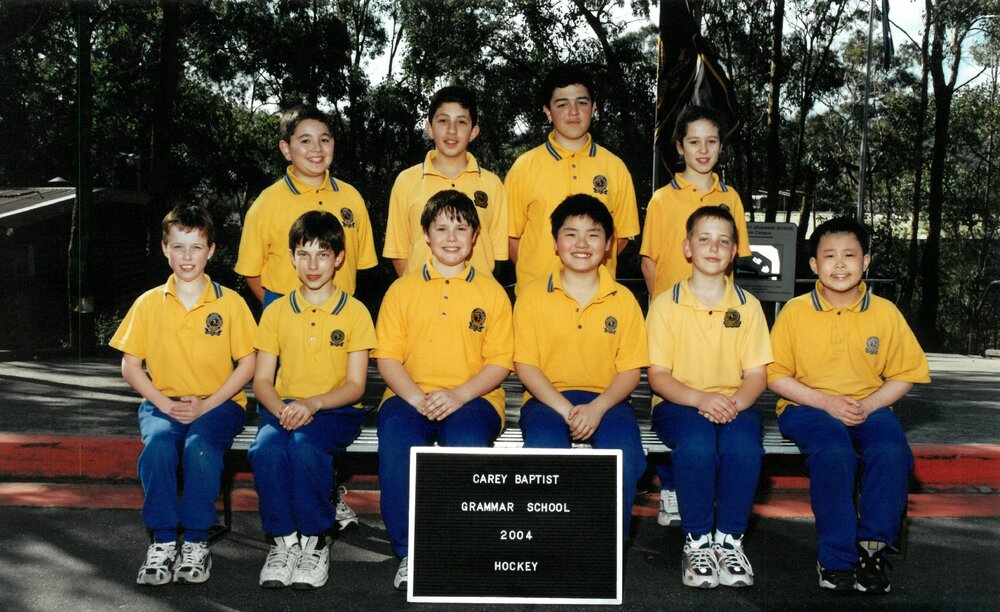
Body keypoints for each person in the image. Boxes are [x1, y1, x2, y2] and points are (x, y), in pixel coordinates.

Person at [767, 217, 930, 593]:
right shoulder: (794, 311)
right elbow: (774, 375)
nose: (840, 264)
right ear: (813, 265)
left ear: (866, 261)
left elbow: (906, 373)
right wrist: (825, 402)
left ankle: (872, 550)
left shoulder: (885, 312)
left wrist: (870, 405)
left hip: (867, 406)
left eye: (850, 255)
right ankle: (836, 557)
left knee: (890, 450)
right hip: (807, 406)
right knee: (834, 451)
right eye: (829, 256)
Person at [374, 190, 514, 591]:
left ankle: (459, 548)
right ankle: (410, 552)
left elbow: (500, 362)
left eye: (461, 228)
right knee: (399, 445)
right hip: (407, 397)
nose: (451, 238)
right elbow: (387, 359)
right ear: (425, 235)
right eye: (441, 228)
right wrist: (418, 398)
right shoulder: (402, 290)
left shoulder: (491, 292)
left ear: (475, 237)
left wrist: (458, 396)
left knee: (467, 446)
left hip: (474, 399)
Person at [110, 205, 257, 586]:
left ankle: (194, 541)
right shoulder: (148, 303)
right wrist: (164, 404)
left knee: (199, 450)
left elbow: (247, 363)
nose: (187, 257)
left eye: (196, 247)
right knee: (158, 447)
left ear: (211, 251)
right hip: (164, 403)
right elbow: (130, 365)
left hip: (219, 404)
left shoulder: (231, 303)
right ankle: (161, 542)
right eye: (178, 247)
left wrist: (207, 404)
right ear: (164, 249)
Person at [248, 211, 376, 590]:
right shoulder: (275, 311)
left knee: (306, 448)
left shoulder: (355, 312)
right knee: (266, 450)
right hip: (283, 406)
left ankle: (316, 540)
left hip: (335, 409)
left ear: (339, 258)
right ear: (291, 257)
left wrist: (314, 404)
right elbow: (262, 380)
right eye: (303, 254)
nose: (313, 264)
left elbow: (355, 385)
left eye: (323, 254)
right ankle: (284, 541)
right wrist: (283, 409)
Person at [646, 206, 772, 589]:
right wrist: (700, 399)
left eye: (723, 241)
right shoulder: (665, 305)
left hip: (736, 404)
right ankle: (698, 540)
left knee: (744, 448)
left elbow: (756, 375)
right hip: (678, 404)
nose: (713, 248)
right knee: (698, 446)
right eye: (704, 239)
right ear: (687, 248)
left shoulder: (748, 307)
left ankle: (729, 541)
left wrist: (734, 403)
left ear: (735, 251)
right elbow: (658, 376)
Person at [640, 105, 752, 528]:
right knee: (673, 400)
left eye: (711, 141)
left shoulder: (731, 197)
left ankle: (709, 502)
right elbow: (650, 261)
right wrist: (669, 306)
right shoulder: (662, 199)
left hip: (717, 313)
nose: (703, 150)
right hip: (675, 317)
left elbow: (734, 260)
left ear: (720, 146)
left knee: (717, 419)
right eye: (693, 141)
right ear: (679, 147)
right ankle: (672, 488)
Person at [513, 194, 648, 540]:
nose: (582, 244)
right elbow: (526, 364)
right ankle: (546, 543)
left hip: (608, 401)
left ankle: (606, 549)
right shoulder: (532, 296)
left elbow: (630, 370)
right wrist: (567, 410)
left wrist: (597, 408)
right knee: (543, 450)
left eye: (594, 234)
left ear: (608, 245)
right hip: (547, 401)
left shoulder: (624, 300)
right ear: (556, 243)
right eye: (571, 234)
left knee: (625, 454)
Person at [505, 64, 639, 295]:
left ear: (594, 108)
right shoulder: (524, 167)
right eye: (562, 104)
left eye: (582, 102)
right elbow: (510, 238)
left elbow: (621, 237)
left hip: (598, 299)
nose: (573, 111)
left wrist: (583, 265)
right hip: (538, 301)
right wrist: (538, 274)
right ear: (548, 112)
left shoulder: (614, 167)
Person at [235, 104, 376, 305]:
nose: (317, 148)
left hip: (340, 313)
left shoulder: (352, 198)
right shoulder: (266, 203)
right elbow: (250, 271)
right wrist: (277, 309)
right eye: (305, 141)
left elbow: (360, 263)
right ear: (286, 149)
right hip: (284, 312)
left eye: (324, 140)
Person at [383, 85, 508, 277]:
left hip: (477, 300)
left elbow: (497, 254)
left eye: (461, 122)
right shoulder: (406, 181)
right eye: (443, 121)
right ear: (430, 128)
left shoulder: (492, 185)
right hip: (422, 299)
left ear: (474, 132)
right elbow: (399, 253)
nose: (451, 131)